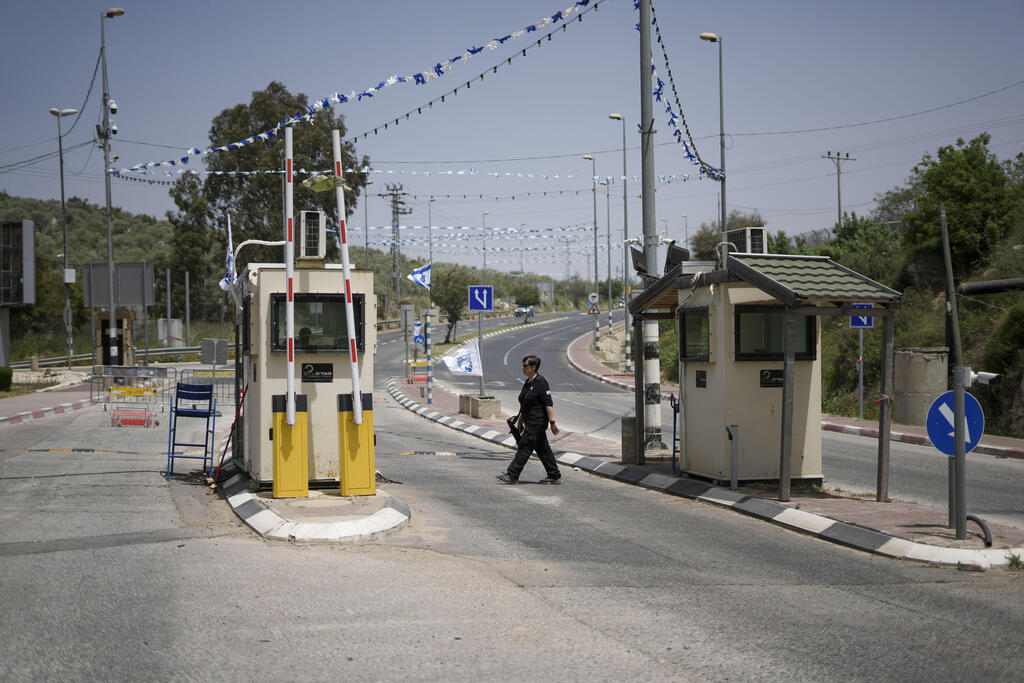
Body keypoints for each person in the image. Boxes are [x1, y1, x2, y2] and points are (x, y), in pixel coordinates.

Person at [497, 354, 562, 484]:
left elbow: (548, 403)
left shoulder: (541, 382)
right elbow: (524, 405)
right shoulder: (528, 382)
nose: (523, 368)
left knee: (524, 447)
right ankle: (554, 474)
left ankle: (512, 474)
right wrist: (520, 422)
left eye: (525, 365)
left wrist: (552, 423)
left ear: (533, 367)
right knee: (542, 448)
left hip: (537, 422)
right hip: (529, 421)